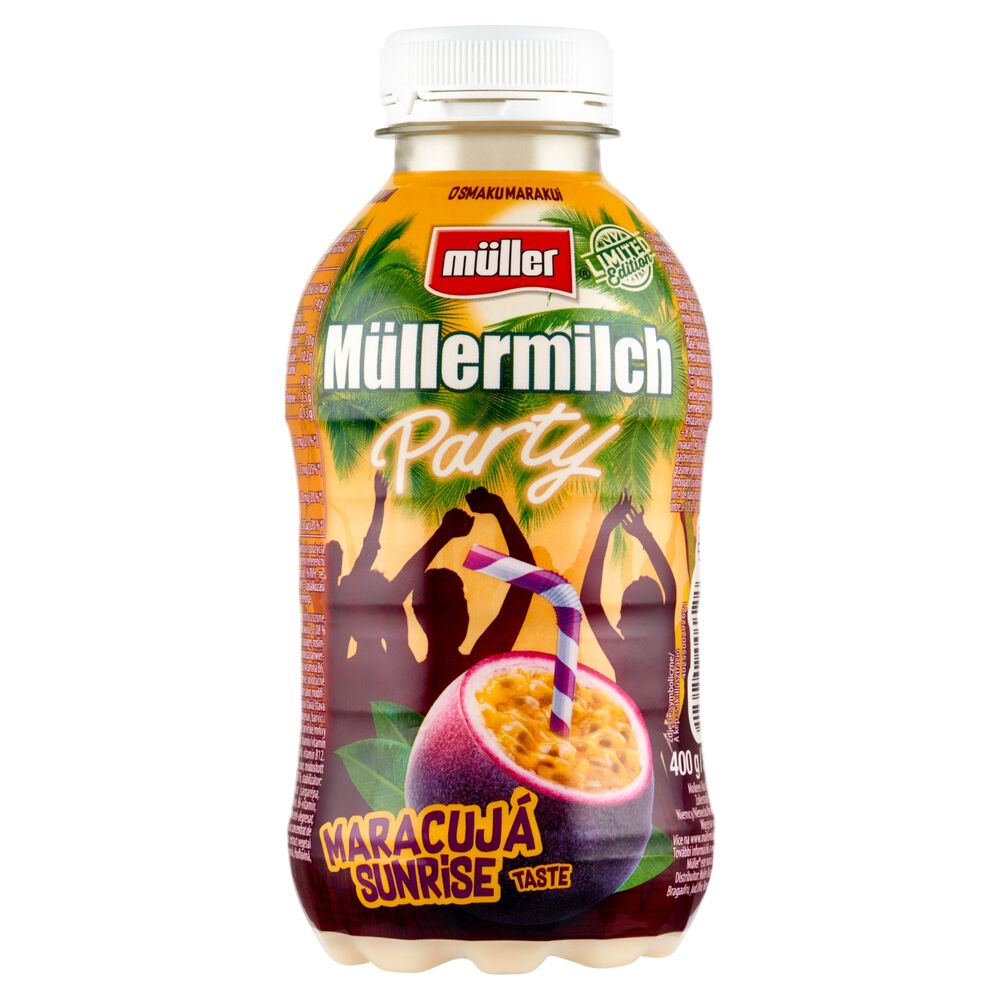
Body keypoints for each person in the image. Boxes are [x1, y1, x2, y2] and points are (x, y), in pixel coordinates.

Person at [581, 491, 678, 744]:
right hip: (655, 741)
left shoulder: (624, 654)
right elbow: (670, 584)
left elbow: (589, 601)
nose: (619, 623)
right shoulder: (664, 641)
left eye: (623, 613)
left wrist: (606, 529)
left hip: (628, 741)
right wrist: (643, 534)